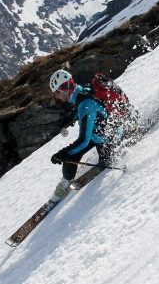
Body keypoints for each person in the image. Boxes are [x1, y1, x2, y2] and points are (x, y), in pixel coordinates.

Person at [46, 69, 122, 204]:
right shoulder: (81, 91)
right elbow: (83, 108)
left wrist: (61, 154)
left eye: (56, 92)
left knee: (101, 159)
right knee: (70, 155)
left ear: (64, 89)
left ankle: (112, 156)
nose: (56, 97)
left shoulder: (85, 104)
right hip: (101, 133)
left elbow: (83, 140)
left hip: (110, 138)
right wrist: (68, 119)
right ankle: (66, 180)